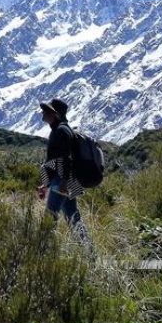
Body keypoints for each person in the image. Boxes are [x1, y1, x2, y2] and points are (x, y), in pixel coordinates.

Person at [37, 98, 92, 248]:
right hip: (67, 181)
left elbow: (64, 159)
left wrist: (62, 182)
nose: (43, 113)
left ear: (55, 114)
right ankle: (90, 254)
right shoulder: (61, 130)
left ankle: (40, 253)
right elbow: (55, 160)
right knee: (73, 217)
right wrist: (46, 184)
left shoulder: (61, 131)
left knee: (50, 216)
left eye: (46, 110)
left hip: (63, 182)